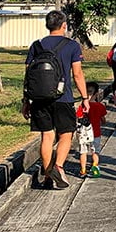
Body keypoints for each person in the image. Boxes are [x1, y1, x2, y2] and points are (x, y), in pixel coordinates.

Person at [22, 10, 88, 190]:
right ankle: (58, 166)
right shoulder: (72, 46)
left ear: (47, 25)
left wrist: (25, 100)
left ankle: (47, 175)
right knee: (66, 134)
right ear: (64, 25)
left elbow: (28, 75)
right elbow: (77, 74)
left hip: (39, 98)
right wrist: (84, 97)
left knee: (47, 135)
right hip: (63, 97)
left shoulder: (36, 45)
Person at [76, 82, 107, 178]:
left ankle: (83, 170)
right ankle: (94, 166)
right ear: (97, 93)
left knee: (83, 152)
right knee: (95, 152)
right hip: (96, 133)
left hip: (83, 133)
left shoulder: (82, 106)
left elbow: (78, 117)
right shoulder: (100, 106)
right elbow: (103, 119)